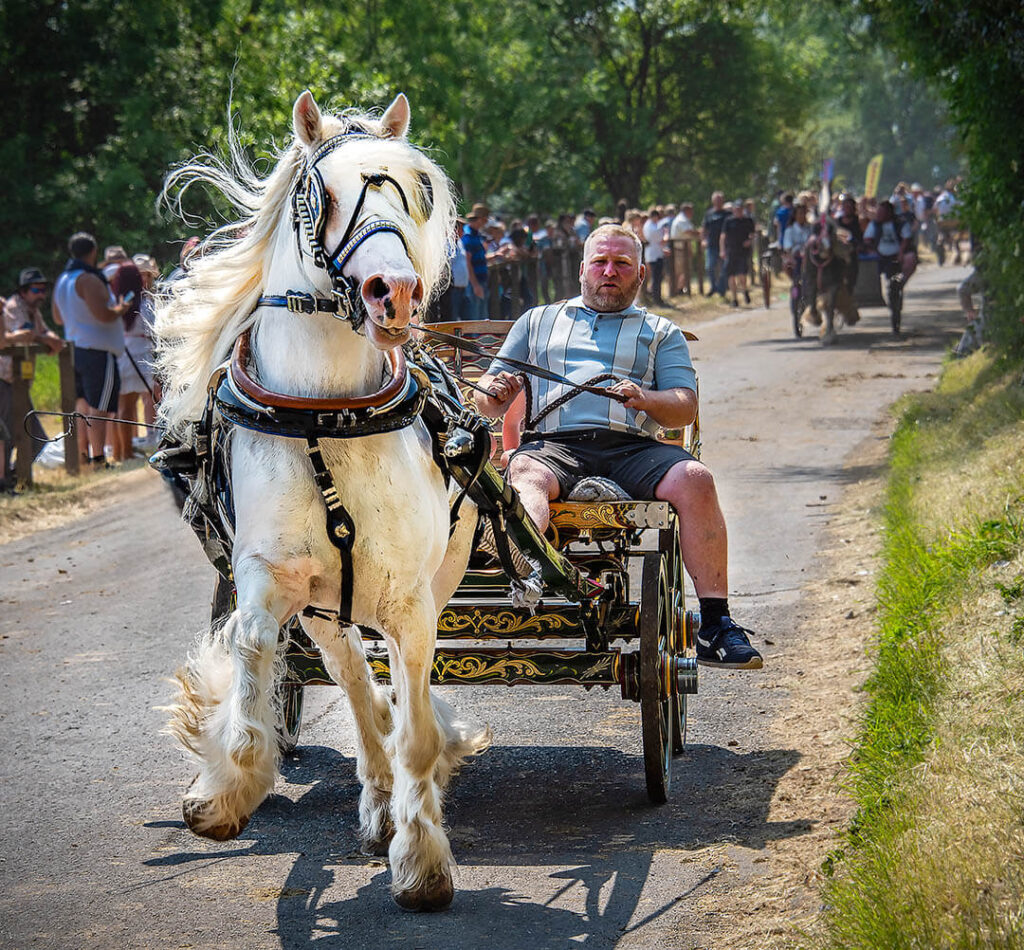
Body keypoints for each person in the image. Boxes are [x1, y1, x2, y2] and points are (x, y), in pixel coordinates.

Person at [474, 224, 763, 670]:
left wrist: (646, 398)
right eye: (600, 262)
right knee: (525, 475)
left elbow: (684, 406)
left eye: (622, 264)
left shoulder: (660, 331)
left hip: (633, 450)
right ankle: (527, 574)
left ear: (641, 274)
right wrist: (496, 391)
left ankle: (715, 625)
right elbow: (485, 399)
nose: (610, 271)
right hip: (552, 447)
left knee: (696, 479)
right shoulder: (536, 322)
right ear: (582, 270)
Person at [51, 232, 129, 467]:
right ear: (93, 252)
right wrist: (121, 308)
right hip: (96, 350)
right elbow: (103, 315)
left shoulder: (62, 279)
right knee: (100, 408)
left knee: (82, 406)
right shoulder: (88, 279)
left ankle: (83, 455)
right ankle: (98, 458)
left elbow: (57, 318)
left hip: (75, 348)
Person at [0, 268, 65, 491]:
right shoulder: (12, 307)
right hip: (6, 382)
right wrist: (44, 339)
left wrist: (49, 340)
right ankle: (7, 482)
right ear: (24, 291)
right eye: (37, 289)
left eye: (44, 290)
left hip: (20, 384)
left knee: (37, 440)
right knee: (8, 437)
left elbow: (48, 335)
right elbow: (23, 335)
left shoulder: (32, 311)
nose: (42, 295)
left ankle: (14, 477)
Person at [115, 254, 160, 456]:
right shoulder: (145, 304)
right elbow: (154, 330)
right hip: (142, 354)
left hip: (124, 356)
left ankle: (124, 447)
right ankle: (147, 437)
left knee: (124, 405)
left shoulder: (119, 304)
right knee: (149, 398)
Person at [720, 199, 755, 307]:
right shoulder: (728, 221)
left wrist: (749, 241)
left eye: (740, 209)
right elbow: (723, 236)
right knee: (731, 275)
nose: (738, 211)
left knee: (742, 274)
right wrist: (722, 250)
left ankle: (744, 291)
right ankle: (734, 299)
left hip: (743, 251)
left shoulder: (748, 220)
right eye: (736, 209)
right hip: (731, 250)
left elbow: (753, 234)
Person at [461, 204, 490, 320]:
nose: (485, 222)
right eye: (485, 219)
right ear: (480, 219)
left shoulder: (477, 235)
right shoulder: (468, 236)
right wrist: (475, 285)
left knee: (482, 316)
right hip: (474, 282)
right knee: (476, 317)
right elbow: (467, 262)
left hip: (481, 280)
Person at [700, 192, 730, 297]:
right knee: (709, 267)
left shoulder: (727, 214)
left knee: (724, 268)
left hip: (724, 246)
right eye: (716, 200)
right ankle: (713, 287)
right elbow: (703, 229)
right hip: (711, 245)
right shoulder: (709, 214)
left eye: (720, 200)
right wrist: (703, 240)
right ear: (713, 201)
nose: (718, 202)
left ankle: (722, 289)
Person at [641, 206, 667, 304]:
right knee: (656, 278)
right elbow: (658, 236)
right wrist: (664, 232)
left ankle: (657, 297)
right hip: (653, 255)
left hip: (656, 253)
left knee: (658, 277)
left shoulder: (653, 225)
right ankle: (656, 298)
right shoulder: (650, 226)